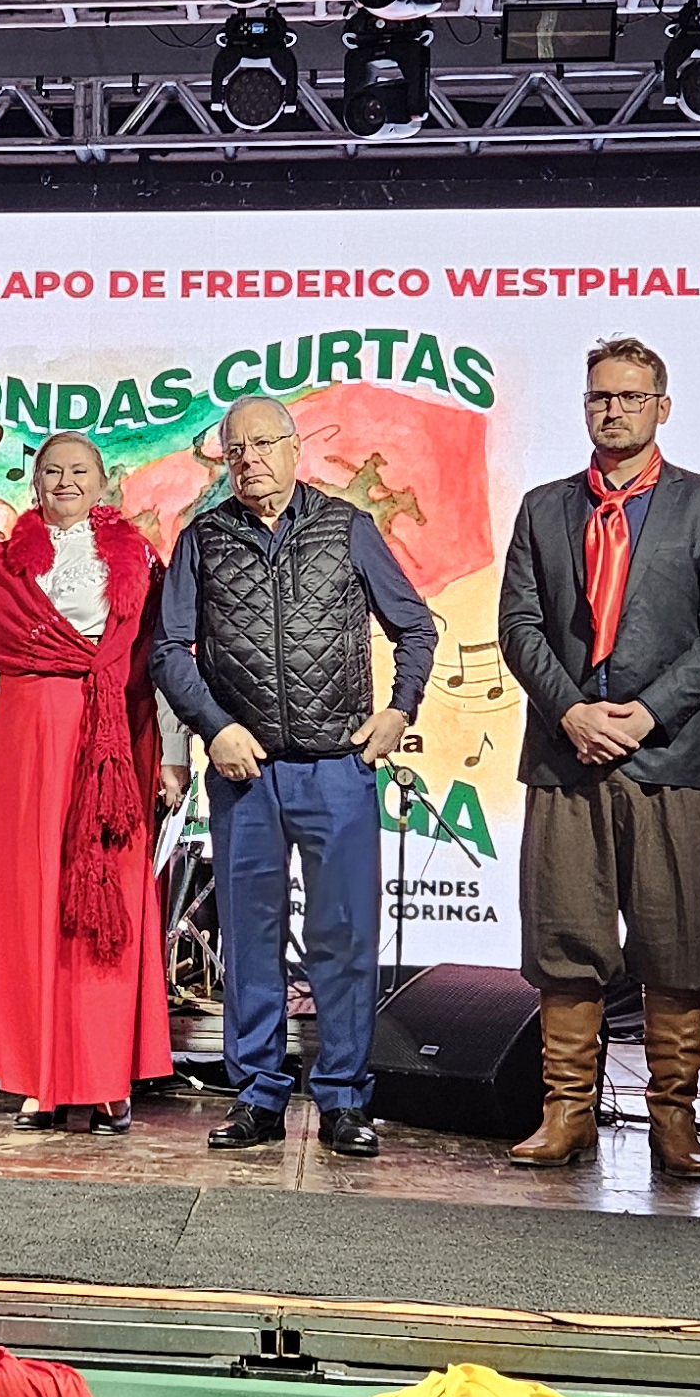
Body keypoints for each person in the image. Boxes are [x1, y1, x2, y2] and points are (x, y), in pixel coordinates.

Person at [493, 339, 700, 1179]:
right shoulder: (543, 508)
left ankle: (673, 1122)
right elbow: (519, 627)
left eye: (632, 397)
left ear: (662, 408)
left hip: (669, 757)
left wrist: (644, 714)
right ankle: (566, 1113)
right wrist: (572, 710)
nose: (613, 410)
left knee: (677, 940)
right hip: (566, 754)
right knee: (565, 939)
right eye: (600, 397)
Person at [155, 394, 437, 1160]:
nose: (248, 460)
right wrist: (217, 729)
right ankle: (258, 1097)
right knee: (249, 937)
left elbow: (414, 625)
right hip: (246, 775)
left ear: (292, 448)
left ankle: (344, 1098)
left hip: (337, 769)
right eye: (234, 449)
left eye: (261, 444)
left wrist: (399, 711)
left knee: (343, 938)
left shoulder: (348, 528)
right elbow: (170, 651)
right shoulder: (202, 539)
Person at [0, 431, 185, 1130]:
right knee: (28, 902)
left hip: (107, 739)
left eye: (79, 471)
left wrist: (171, 749)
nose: (65, 481)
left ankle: (105, 1076)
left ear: (104, 482)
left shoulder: (136, 558)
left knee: (102, 904)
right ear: (34, 480)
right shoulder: (2, 563)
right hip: (21, 741)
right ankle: (38, 1074)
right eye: (52, 471)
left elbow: (155, 660)